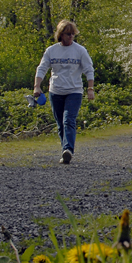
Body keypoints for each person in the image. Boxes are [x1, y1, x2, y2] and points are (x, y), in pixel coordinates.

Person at [34, 20, 95, 164]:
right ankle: (65, 151)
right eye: (68, 34)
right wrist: (37, 86)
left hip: (74, 91)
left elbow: (89, 69)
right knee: (60, 123)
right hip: (55, 91)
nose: (71, 37)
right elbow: (42, 68)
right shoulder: (51, 50)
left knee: (69, 120)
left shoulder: (80, 50)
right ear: (61, 34)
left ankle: (68, 149)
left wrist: (90, 88)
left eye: (73, 34)